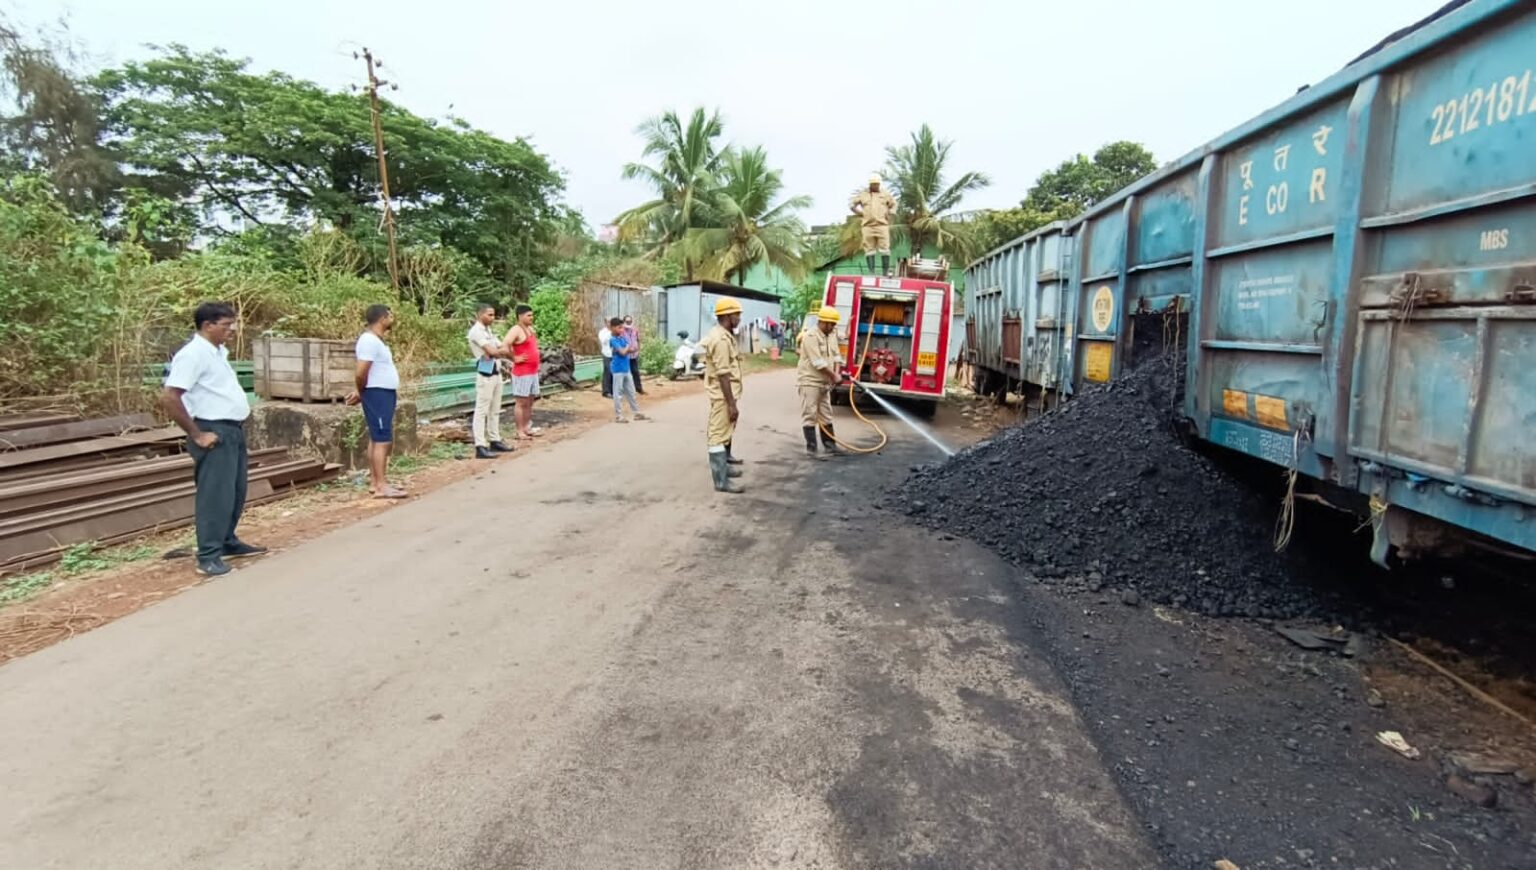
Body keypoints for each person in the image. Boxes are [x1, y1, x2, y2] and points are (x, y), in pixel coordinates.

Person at [160, 301, 266, 577]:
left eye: (233, 324)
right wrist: (196, 434)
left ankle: (227, 540)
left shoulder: (217, 353)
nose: (232, 330)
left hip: (232, 428)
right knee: (214, 494)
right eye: (227, 325)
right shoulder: (193, 355)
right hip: (211, 429)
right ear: (208, 325)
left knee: (235, 490)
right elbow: (170, 396)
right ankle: (208, 555)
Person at [344, 304, 406, 498]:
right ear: (383, 318)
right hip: (377, 393)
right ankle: (381, 486)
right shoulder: (369, 341)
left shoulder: (377, 341)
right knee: (382, 439)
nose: (392, 319)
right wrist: (361, 391)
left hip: (382, 392)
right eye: (391, 315)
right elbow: (361, 371)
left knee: (376, 438)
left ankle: (376, 482)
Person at [702, 298, 745, 493]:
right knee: (717, 436)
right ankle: (720, 481)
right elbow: (723, 374)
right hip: (722, 396)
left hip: (726, 395)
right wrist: (731, 404)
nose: (739, 318)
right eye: (737, 315)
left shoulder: (724, 335)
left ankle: (724, 470)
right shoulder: (720, 340)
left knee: (725, 431)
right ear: (728, 316)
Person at [467, 304, 514, 460]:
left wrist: (497, 353)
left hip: (495, 372)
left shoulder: (488, 331)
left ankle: (495, 439)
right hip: (485, 374)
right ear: (480, 315)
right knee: (482, 411)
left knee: (495, 409)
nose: (492, 318)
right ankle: (480, 445)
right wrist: (497, 352)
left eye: (493, 315)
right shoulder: (476, 332)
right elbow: (494, 351)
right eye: (490, 315)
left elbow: (501, 349)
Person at [797, 306, 845, 460]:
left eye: (834, 324)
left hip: (824, 383)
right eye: (830, 324)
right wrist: (833, 376)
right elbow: (818, 362)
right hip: (810, 381)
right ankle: (812, 450)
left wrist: (836, 374)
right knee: (810, 414)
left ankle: (830, 446)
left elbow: (837, 356)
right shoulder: (810, 337)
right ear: (822, 322)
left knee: (826, 414)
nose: (832, 327)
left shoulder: (831, 335)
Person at [506, 303, 544, 440]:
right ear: (520, 316)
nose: (531, 318)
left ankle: (527, 426)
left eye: (532, 315)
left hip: (532, 371)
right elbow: (505, 344)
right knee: (521, 402)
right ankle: (519, 430)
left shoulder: (530, 329)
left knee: (530, 401)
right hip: (522, 372)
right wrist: (514, 358)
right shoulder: (515, 330)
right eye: (528, 315)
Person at [849, 173, 898, 277]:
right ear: (870, 184)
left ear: (879, 184)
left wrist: (891, 212)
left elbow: (894, 204)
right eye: (873, 184)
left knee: (885, 249)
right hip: (867, 226)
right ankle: (871, 272)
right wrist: (860, 213)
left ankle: (885, 273)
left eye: (877, 184)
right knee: (869, 250)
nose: (875, 186)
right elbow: (852, 205)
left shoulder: (885, 194)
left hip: (882, 225)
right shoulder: (863, 194)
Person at [607, 317, 648, 424]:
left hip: (626, 368)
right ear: (612, 328)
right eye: (619, 328)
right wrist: (627, 348)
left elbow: (632, 348)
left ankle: (637, 413)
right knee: (618, 392)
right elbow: (623, 352)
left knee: (631, 391)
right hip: (618, 369)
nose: (621, 330)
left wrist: (627, 349)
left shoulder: (621, 338)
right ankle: (618, 416)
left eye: (622, 328)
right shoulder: (613, 340)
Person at [622, 314, 645, 394]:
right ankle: (625, 391)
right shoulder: (622, 331)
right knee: (625, 373)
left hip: (634, 356)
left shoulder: (635, 330)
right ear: (624, 322)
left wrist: (638, 350)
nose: (629, 323)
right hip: (625, 355)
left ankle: (639, 388)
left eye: (630, 321)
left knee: (635, 372)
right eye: (627, 321)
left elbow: (638, 340)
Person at [598, 318, 614, 398]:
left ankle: (612, 391)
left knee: (614, 372)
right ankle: (606, 391)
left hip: (614, 354)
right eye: (609, 322)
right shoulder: (602, 332)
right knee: (608, 372)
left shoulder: (615, 331)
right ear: (605, 323)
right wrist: (610, 332)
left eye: (611, 321)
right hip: (607, 354)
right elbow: (603, 341)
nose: (610, 323)